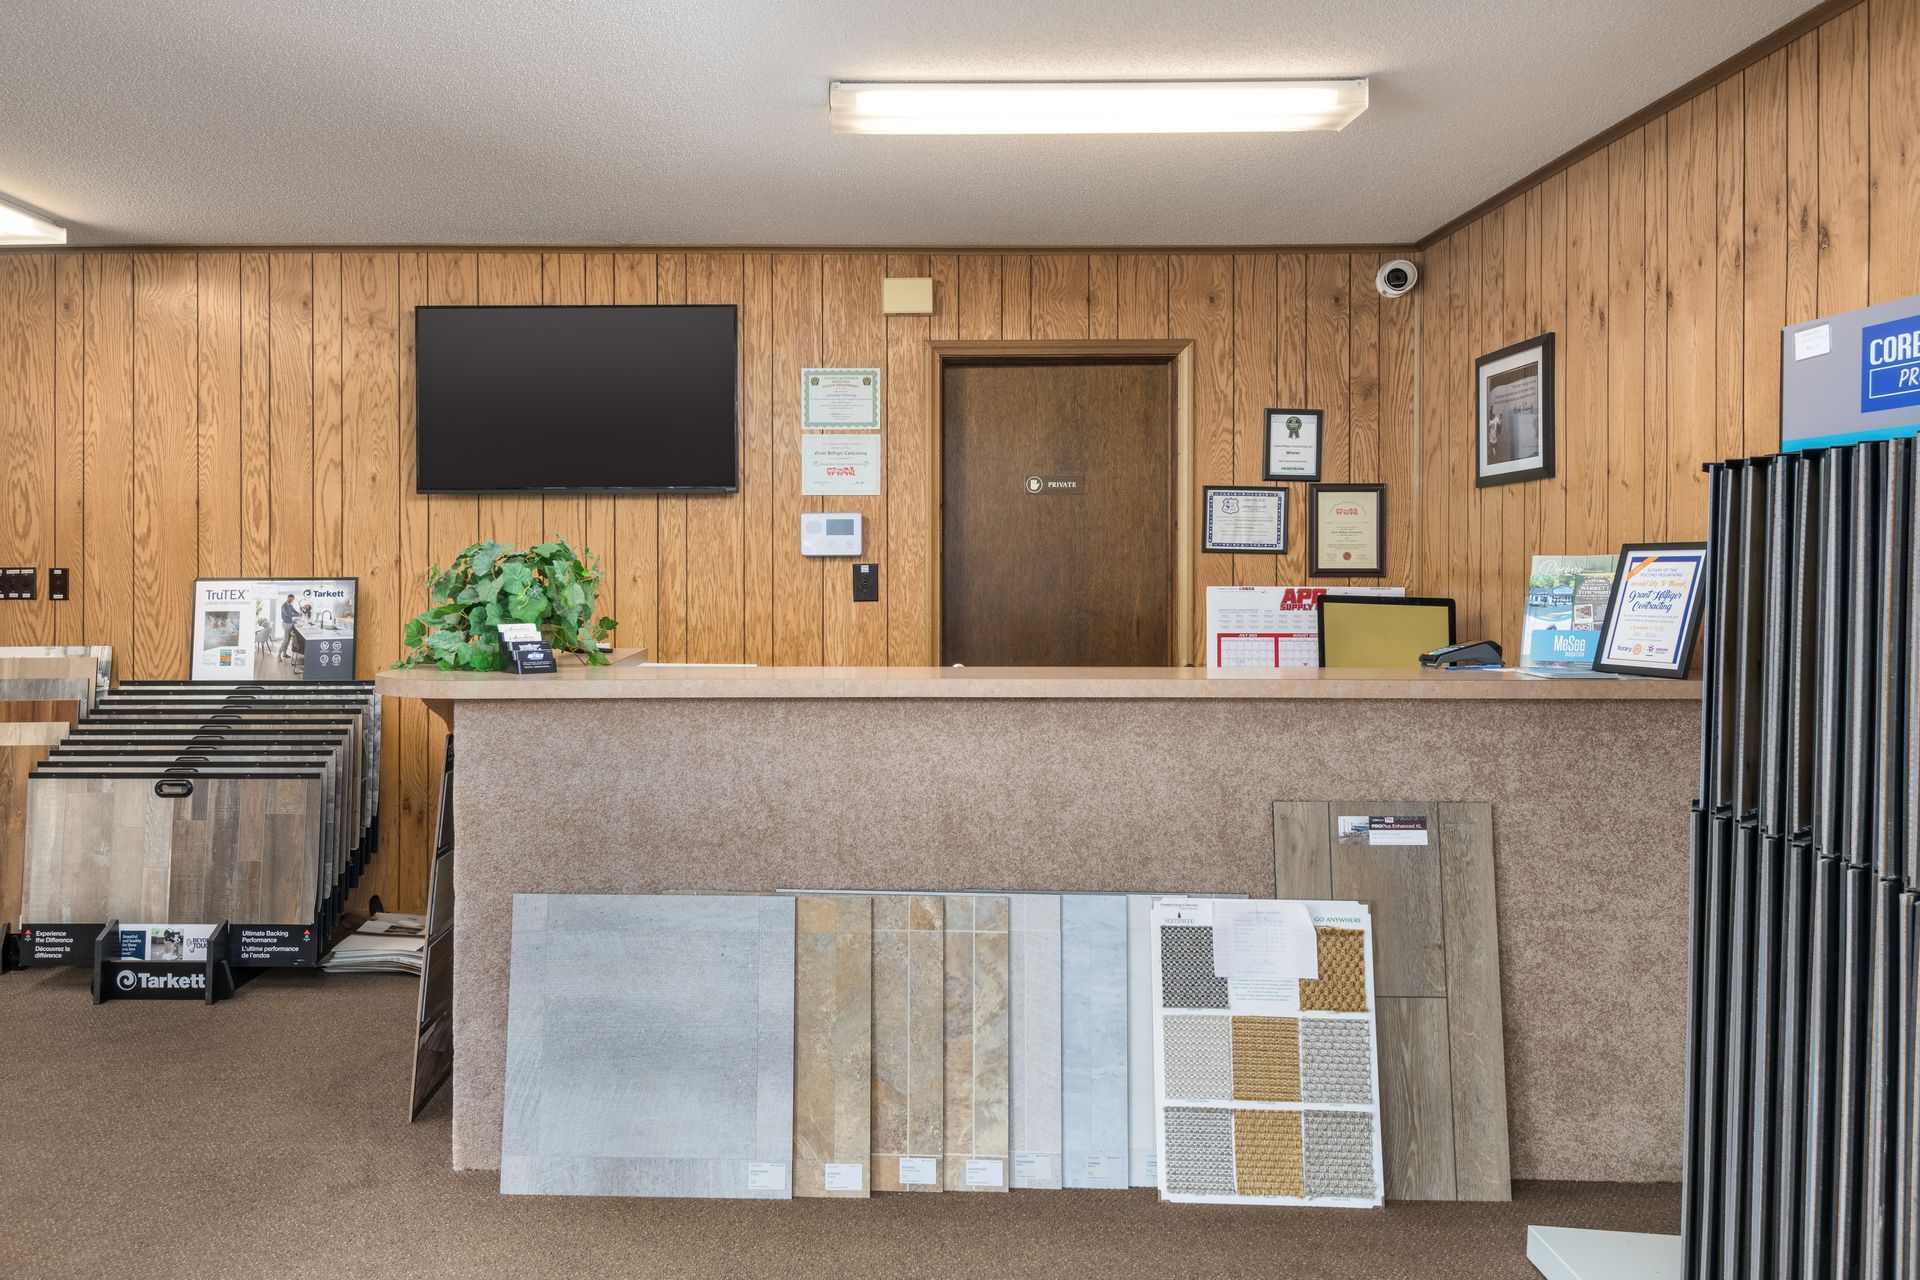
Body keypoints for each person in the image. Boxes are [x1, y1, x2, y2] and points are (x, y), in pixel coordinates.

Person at [278, 593, 300, 659]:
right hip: (286, 624)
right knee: (285, 640)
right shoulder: (284, 606)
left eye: (293, 600)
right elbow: (288, 615)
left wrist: (298, 613)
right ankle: (279, 655)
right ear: (288, 598)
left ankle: (284, 653)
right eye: (291, 599)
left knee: (288, 640)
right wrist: (296, 615)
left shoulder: (290, 605)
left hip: (290, 623)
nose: (292, 601)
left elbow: (293, 610)